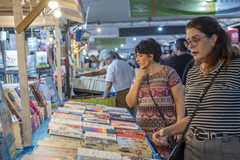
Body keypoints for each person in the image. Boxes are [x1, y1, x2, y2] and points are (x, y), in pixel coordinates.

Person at [153, 16, 240, 160]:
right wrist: (167, 131)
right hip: (192, 147)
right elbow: (195, 117)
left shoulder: (235, 67)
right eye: (189, 41)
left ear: (213, 39)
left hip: (226, 148)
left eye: (196, 39)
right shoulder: (193, 72)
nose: (190, 45)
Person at [126, 38, 185, 159]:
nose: (137, 59)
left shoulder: (169, 73)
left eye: (140, 55)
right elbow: (130, 103)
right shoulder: (139, 75)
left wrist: (179, 128)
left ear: (151, 56)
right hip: (143, 133)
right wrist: (137, 80)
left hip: (165, 133)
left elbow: (180, 100)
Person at [99, 49, 134, 114]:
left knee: (123, 114)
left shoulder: (111, 66)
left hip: (121, 94)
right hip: (131, 91)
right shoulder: (125, 63)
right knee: (130, 112)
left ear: (108, 59)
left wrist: (104, 96)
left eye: (105, 61)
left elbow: (108, 84)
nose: (105, 63)